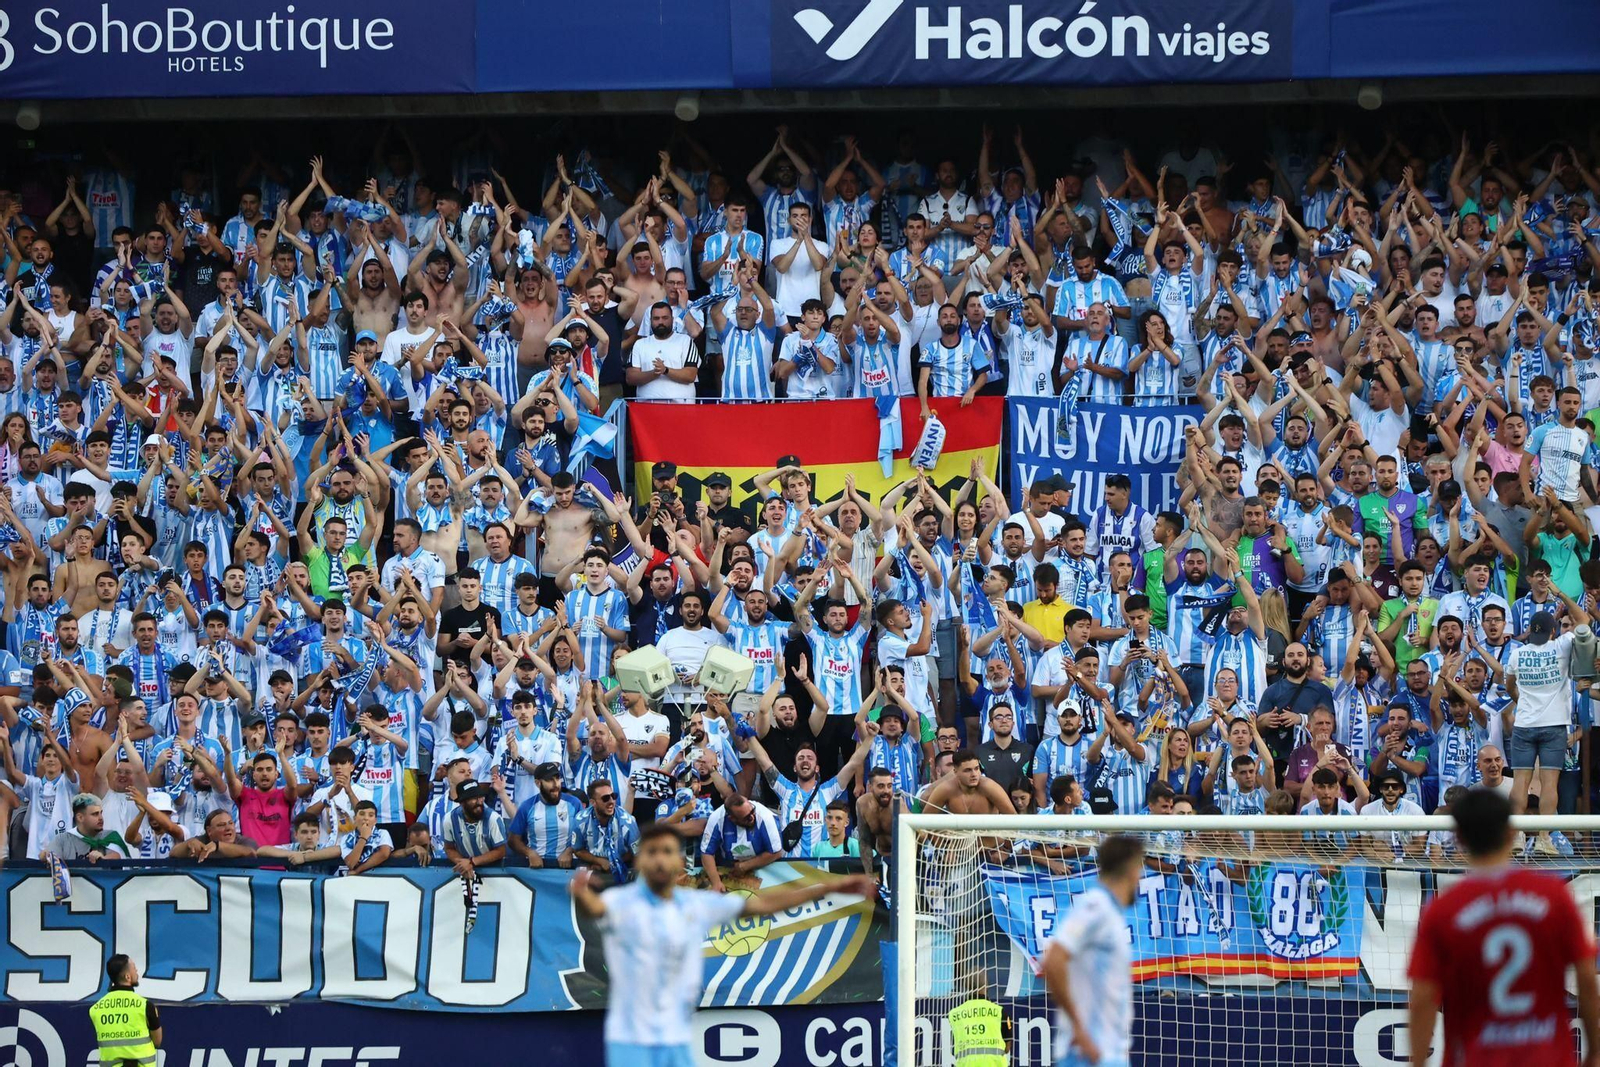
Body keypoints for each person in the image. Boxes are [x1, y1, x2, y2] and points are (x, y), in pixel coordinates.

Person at [568, 822, 875, 1067]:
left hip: (677, 1039)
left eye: (667, 851)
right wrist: (581, 892)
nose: (659, 858)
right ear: (641, 859)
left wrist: (830, 886)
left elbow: (765, 906)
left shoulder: (696, 904)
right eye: (651, 851)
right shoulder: (621, 902)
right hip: (630, 1041)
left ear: (679, 860)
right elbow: (594, 909)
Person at [1407, 788, 1600, 1067]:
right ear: (1511, 833)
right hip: (1547, 1058)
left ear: (1459, 838)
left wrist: (1417, 1062)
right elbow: (1586, 975)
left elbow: (1423, 995)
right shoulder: (1553, 896)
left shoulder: (1443, 910)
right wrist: (1594, 1052)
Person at [1039, 835, 1146, 1067]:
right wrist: (1079, 1026)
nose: (1141, 877)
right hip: (1091, 1053)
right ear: (1129, 869)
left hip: (1107, 1051)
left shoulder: (1109, 912)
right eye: (1140, 869)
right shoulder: (1097, 907)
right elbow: (1053, 959)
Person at [90, 955, 161, 1067]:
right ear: (127, 977)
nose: (136, 970)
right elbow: (157, 1041)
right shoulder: (145, 1006)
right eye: (133, 967)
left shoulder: (96, 1009)